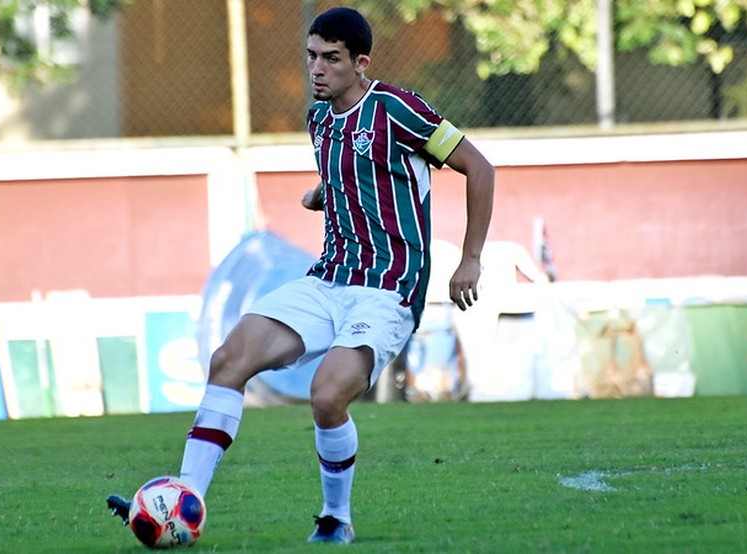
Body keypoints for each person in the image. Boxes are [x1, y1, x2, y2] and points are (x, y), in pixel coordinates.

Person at [108, 6, 494, 545]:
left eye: (331, 59)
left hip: (386, 291)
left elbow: (479, 165)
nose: (317, 68)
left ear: (360, 64)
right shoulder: (318, 121)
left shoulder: (396, 109)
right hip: (327, 280)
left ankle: (336, 518)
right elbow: (352, 174)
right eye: (312, 56)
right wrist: (325, 194)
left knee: (326, 394)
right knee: (228, 359)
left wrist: (471, 258)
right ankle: (185, 499)